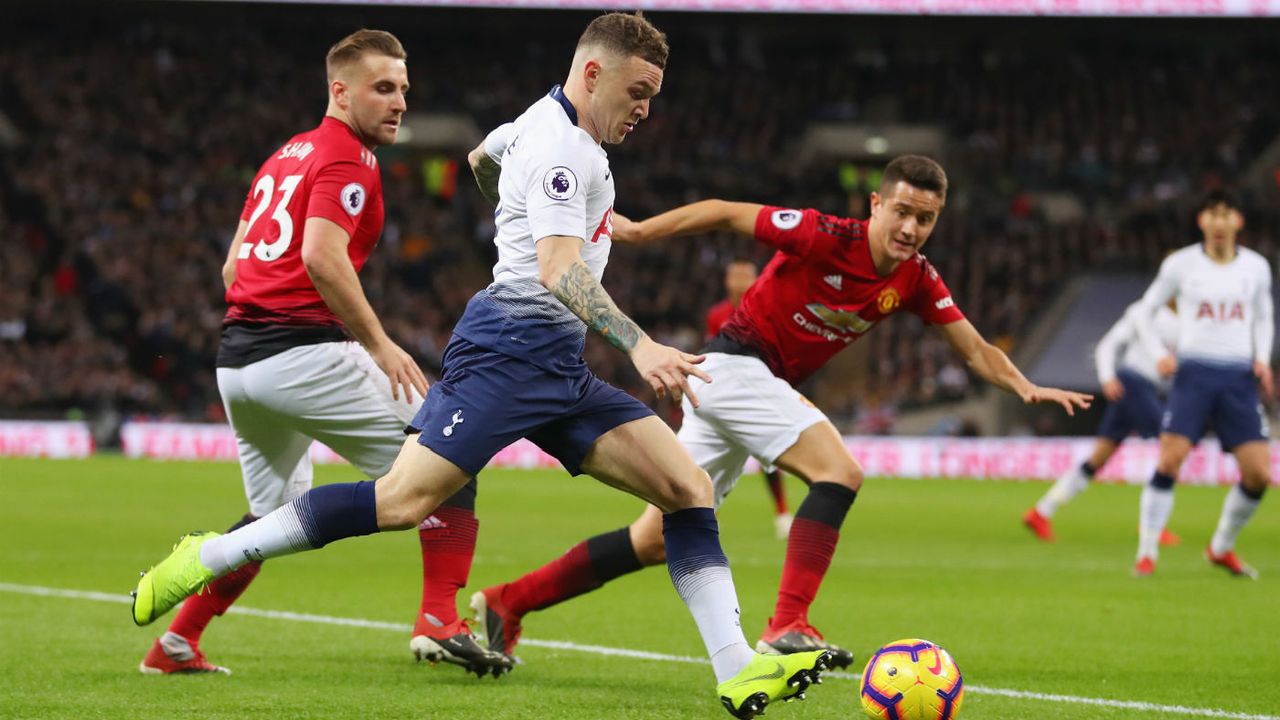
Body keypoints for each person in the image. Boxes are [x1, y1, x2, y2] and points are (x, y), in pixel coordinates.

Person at [131, 14, 831, 718]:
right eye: (639, 89)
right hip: (503, 353)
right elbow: (558, 267)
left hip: (557, 363)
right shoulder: (565, 151)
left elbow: (479, 161)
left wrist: (521, 216)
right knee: (403, 503)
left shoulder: (538, 123)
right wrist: (639, 344)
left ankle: (738, 669)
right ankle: (209, 556)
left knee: (687, 487)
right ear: (594, 74)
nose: (647, 107)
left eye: (654, 92)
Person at [470, 155, 1092, 672]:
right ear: (876, 204)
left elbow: (975, 347)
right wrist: (636, 233)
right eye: (901, 212)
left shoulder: (917, 279)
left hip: (729, 385)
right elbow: (725, 213)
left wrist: (1024, 386)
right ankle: (788, 623)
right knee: (839, 472)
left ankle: (508, 601)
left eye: (925, 219)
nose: (910, 228)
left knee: (654, 539)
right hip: (735, 367)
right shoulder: (826, 234)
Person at [134, 29, 510, 679]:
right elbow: (319, 256)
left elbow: (232, 270)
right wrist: (380, 344)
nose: (398, 103)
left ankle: (176, 643)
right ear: (341, 91)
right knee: (450, 456)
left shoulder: (284, 155)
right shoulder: (347, 159)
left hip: (239, 364)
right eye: (383, 89)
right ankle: (438, 618)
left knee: (268, 517)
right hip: (303, 353)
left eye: (403, 90)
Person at [1129, 189, 1273, 578]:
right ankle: (1147, 553)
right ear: (1202, 221)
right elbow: (1145, 311)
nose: (1220, 221)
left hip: (1239, 376)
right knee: (1170, 459)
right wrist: (1158, 350)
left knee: (1259, 474)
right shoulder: (1181, 264)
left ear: (1238, 221)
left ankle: (1221, 547)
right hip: (1194, 374)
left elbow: (1263, 315)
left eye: (1227, 214)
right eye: (1213, 214)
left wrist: (1262, 357)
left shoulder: (1256, 268)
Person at [1023, 300, 1182, 543]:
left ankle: (1041, 512)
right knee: (1173, 447)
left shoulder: (1185, 319)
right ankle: (1153, 525)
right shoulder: (1146, 311)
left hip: (1143, 387)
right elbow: (1108, 345)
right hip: (1134, 383)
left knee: (1099, 457)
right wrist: (1107, 377)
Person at [707, 259, 792, 539]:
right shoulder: (717, 315)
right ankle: (708, 517)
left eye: (746, 276)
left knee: (768, 460)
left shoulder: (766, 311)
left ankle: (782, 513)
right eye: (736, 275)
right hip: (723, 395)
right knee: (713, 460)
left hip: (757, 394)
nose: (741, 281)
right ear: (727, 281)